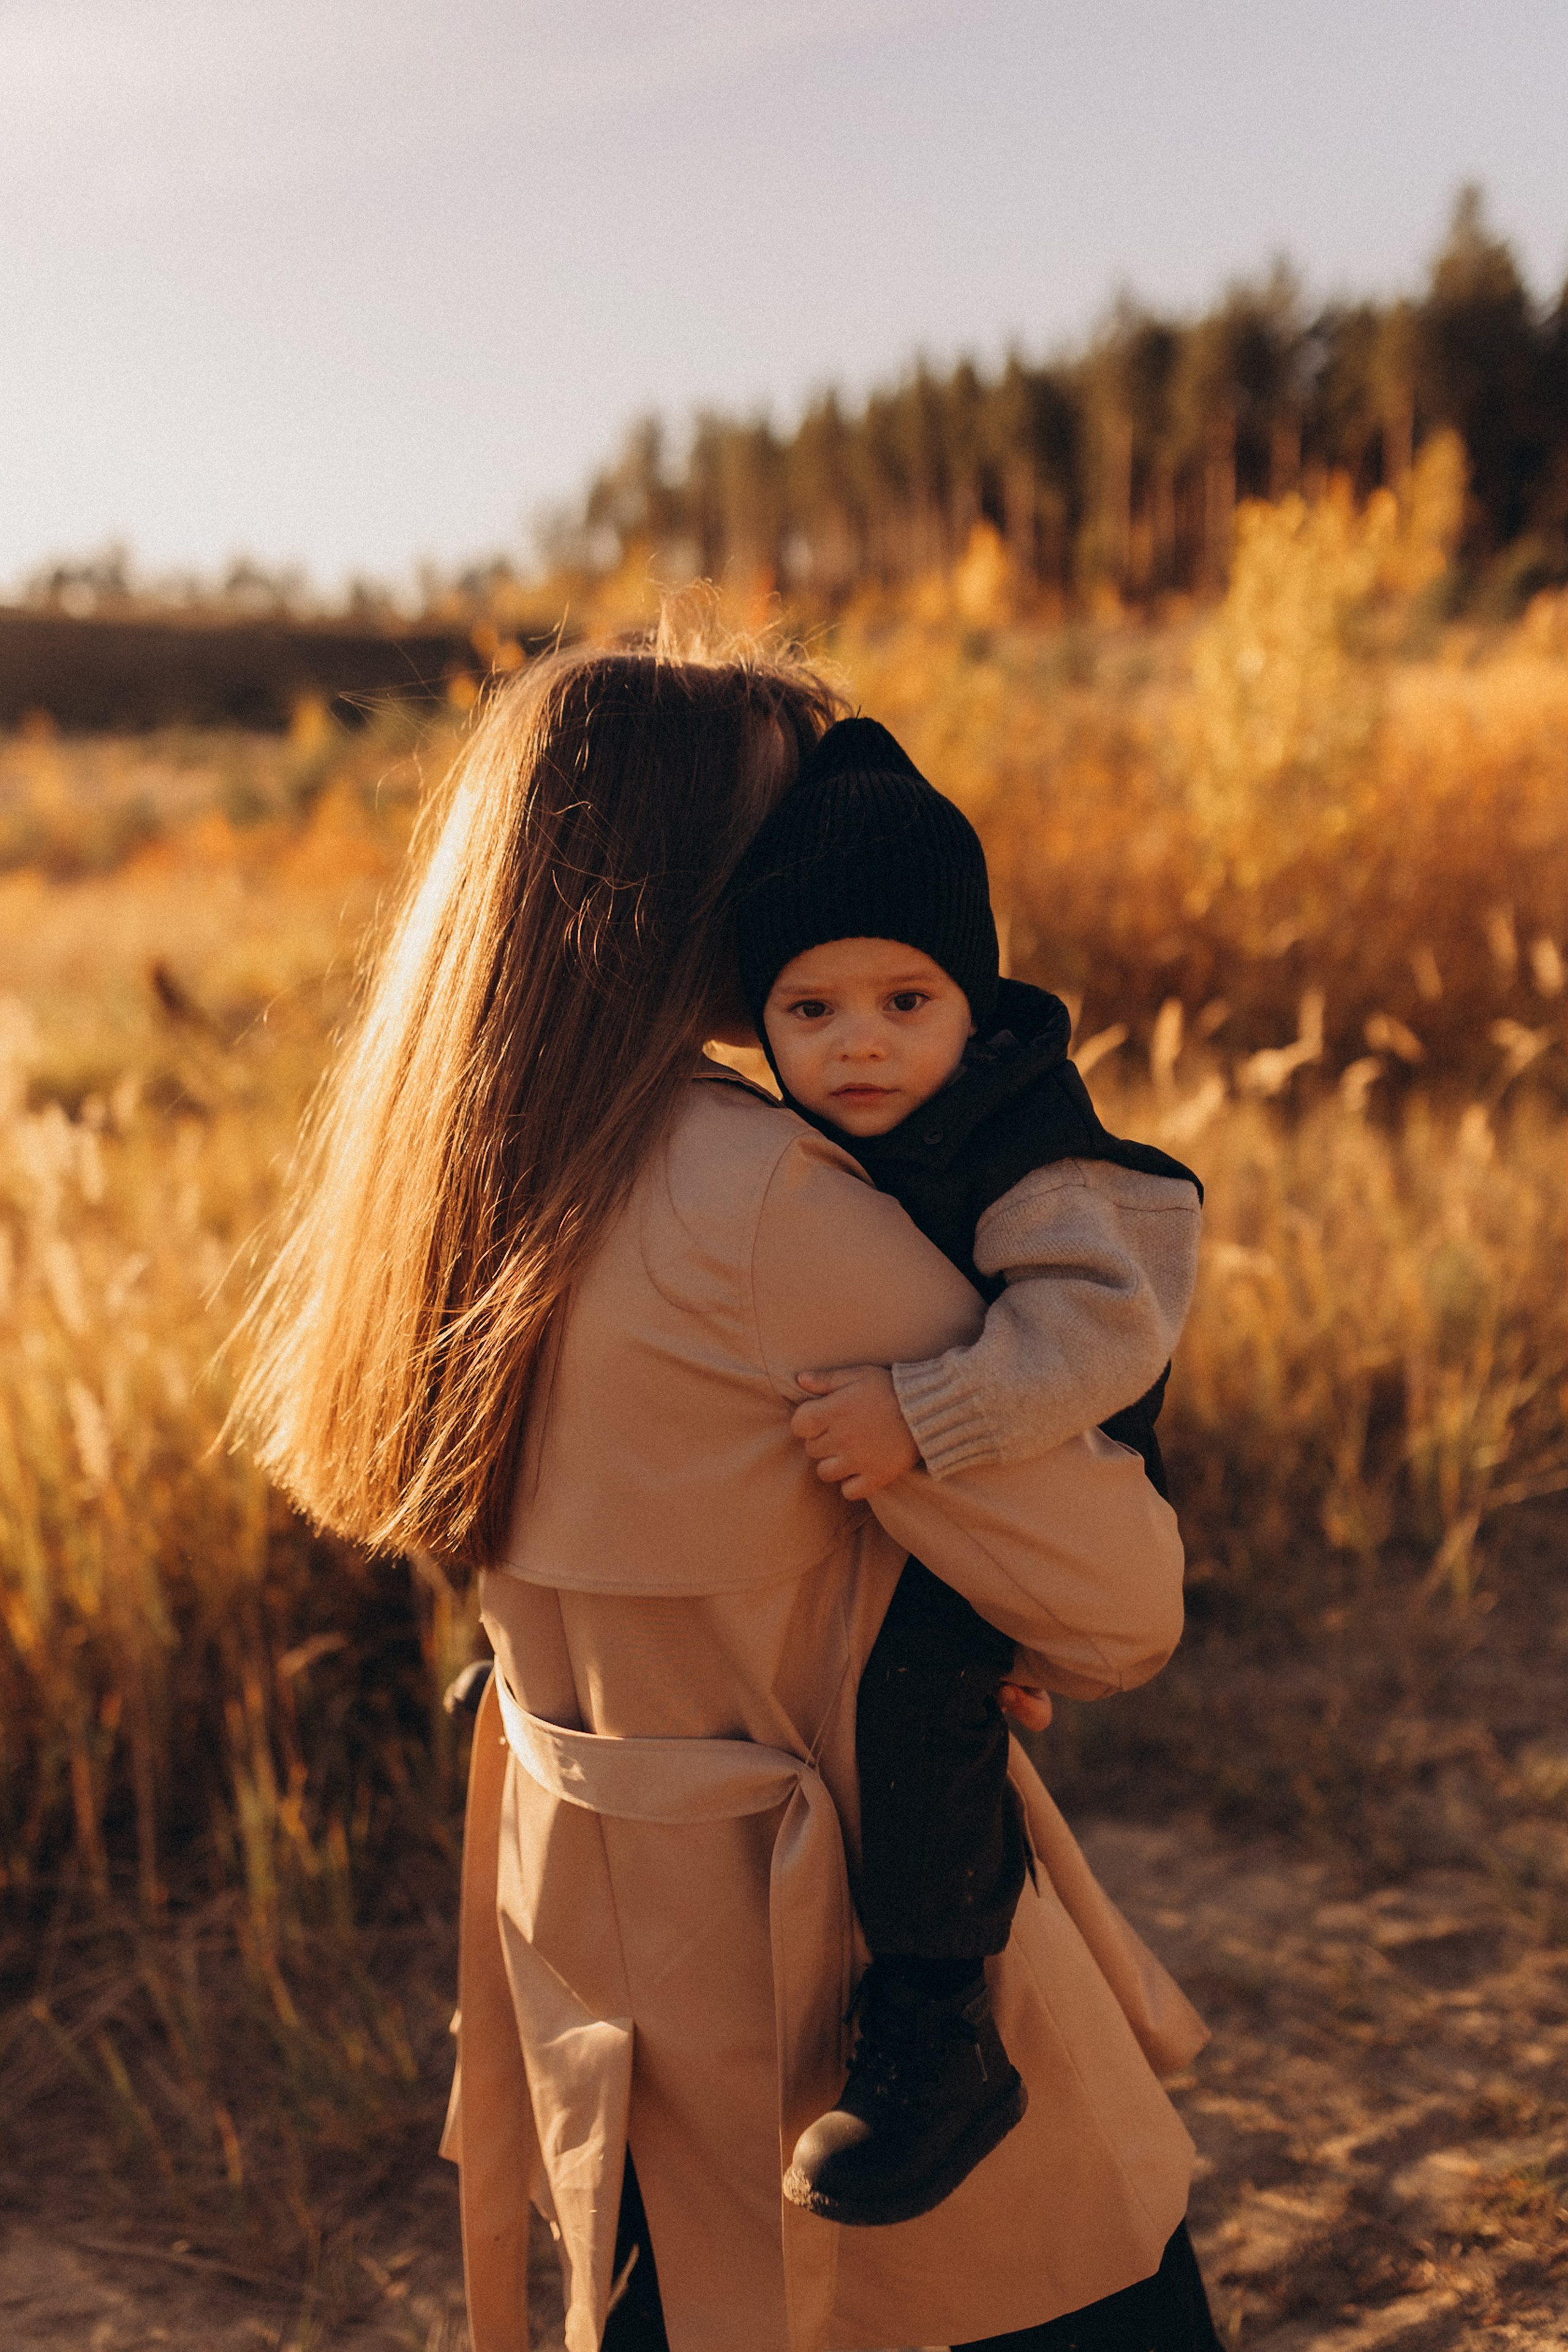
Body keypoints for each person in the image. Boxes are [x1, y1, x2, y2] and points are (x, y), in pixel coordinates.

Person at [232, 630, 1221, 2352]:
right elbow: (1124, 1608)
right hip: (846, 2009)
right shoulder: (764, 1199)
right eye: (792, 831)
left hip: (612, 1990)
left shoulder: (466, 1162)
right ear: (699, 883)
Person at [725, 717, 1203, 2231]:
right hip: (939, 1486)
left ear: (970, 998)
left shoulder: (1030, 1146)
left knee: (924, 1702)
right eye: (810, 1008)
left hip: (1046, 1456)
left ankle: (939, 2020)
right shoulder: (795, 1137)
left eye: (903, 1000)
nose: (856, 1041)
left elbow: (1096, 1332)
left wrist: (924, 1419)